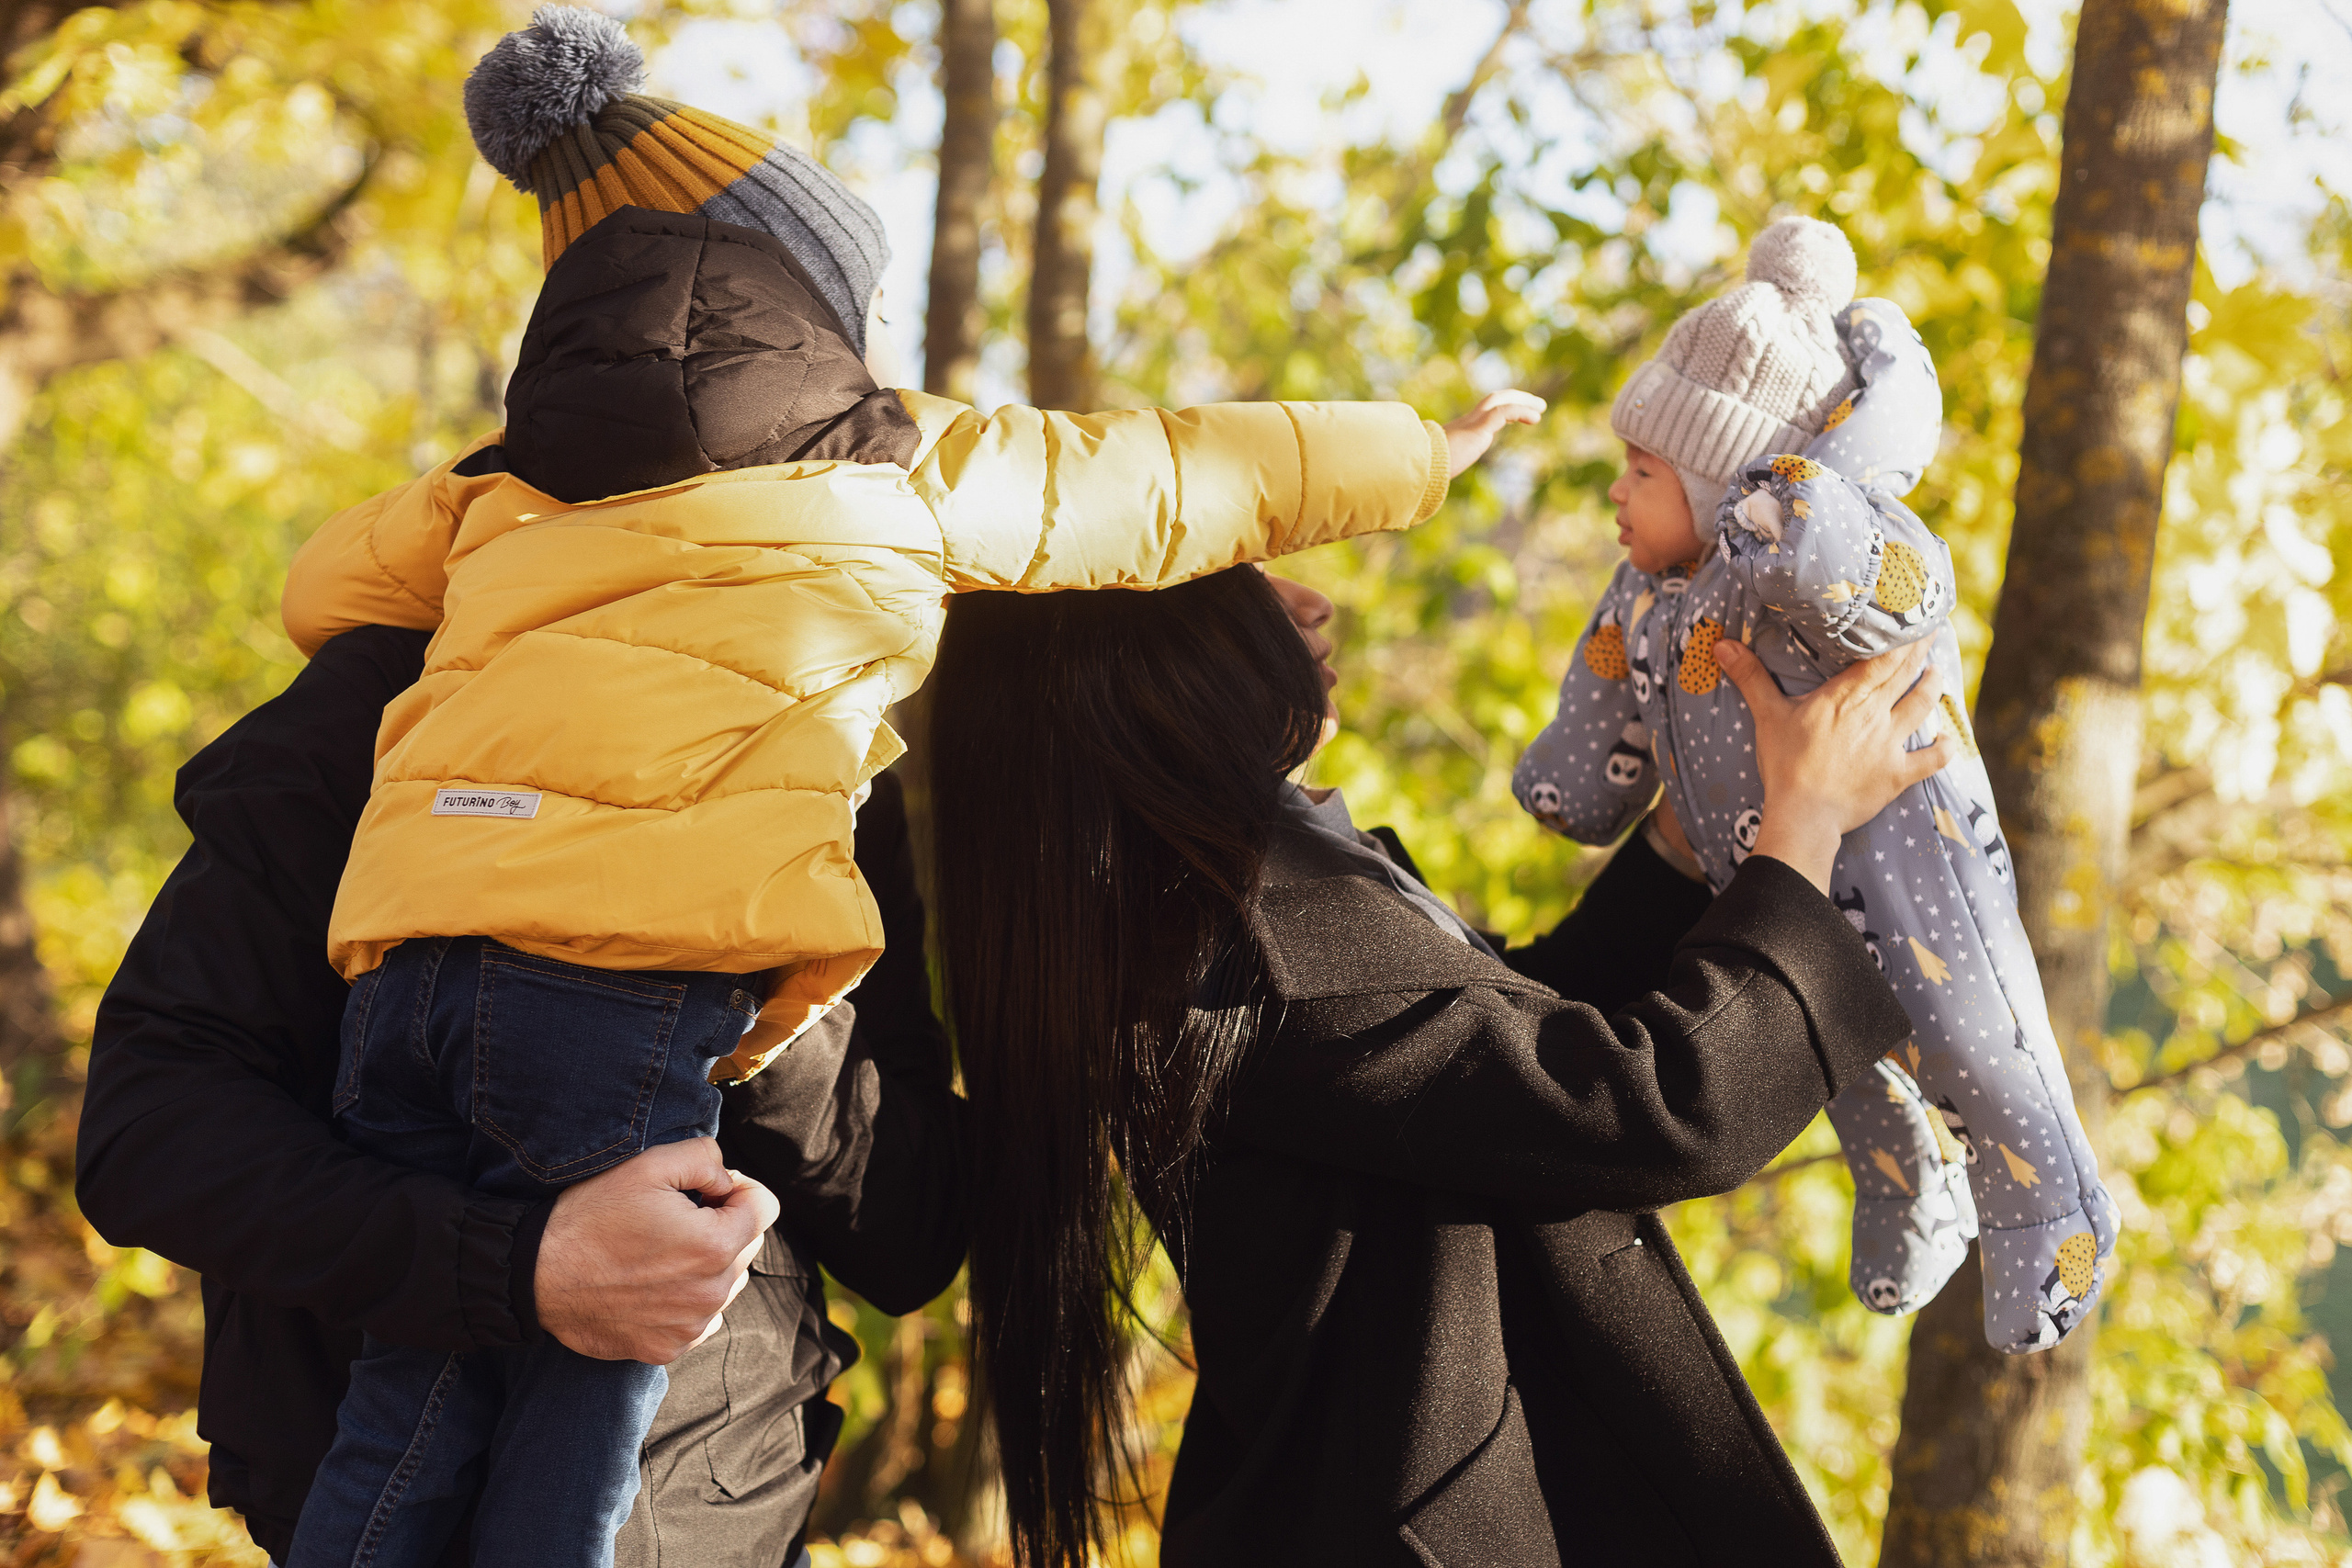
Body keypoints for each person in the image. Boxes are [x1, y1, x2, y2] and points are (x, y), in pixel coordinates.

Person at [279, 10, 1543, 1563]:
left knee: (413, 1390)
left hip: (409, 966)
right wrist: (1417, 451)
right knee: (607, 1370)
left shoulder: (500, 490)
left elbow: (327, 587)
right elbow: (1160, 482)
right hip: (629, 987)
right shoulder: (886, 460)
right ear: (810, 303)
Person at [925, 559, 1959, 1567]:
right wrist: (1803, 822)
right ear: (1141, 667)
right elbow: (1652, 1108)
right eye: (1235, 580)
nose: (1305, 602)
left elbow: (1521, 1046)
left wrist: (1682, 842)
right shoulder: (1246, 955)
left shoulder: (1254, 889)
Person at [74, 620, 967, 1568]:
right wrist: (520, 1268)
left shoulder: (818, 743)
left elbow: (911, 1238)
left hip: (708, 1513)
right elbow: (150, 1128)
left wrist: (760, 992)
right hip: (355, 1488)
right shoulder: (384, 698)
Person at [1509, 216, 2117, 1348]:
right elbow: (1600, 720)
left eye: (1640, 472)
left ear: (1720, 481)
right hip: (1770, 883)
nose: (1614, 493)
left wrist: (1789, 516)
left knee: (1979, 1048)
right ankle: (1908, 1197)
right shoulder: (1645, 596)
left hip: (1908, 873)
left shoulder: (1811, 567)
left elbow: (1904, 586)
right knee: (1844, 1071)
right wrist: (1569, 785)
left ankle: (2057, 1211)